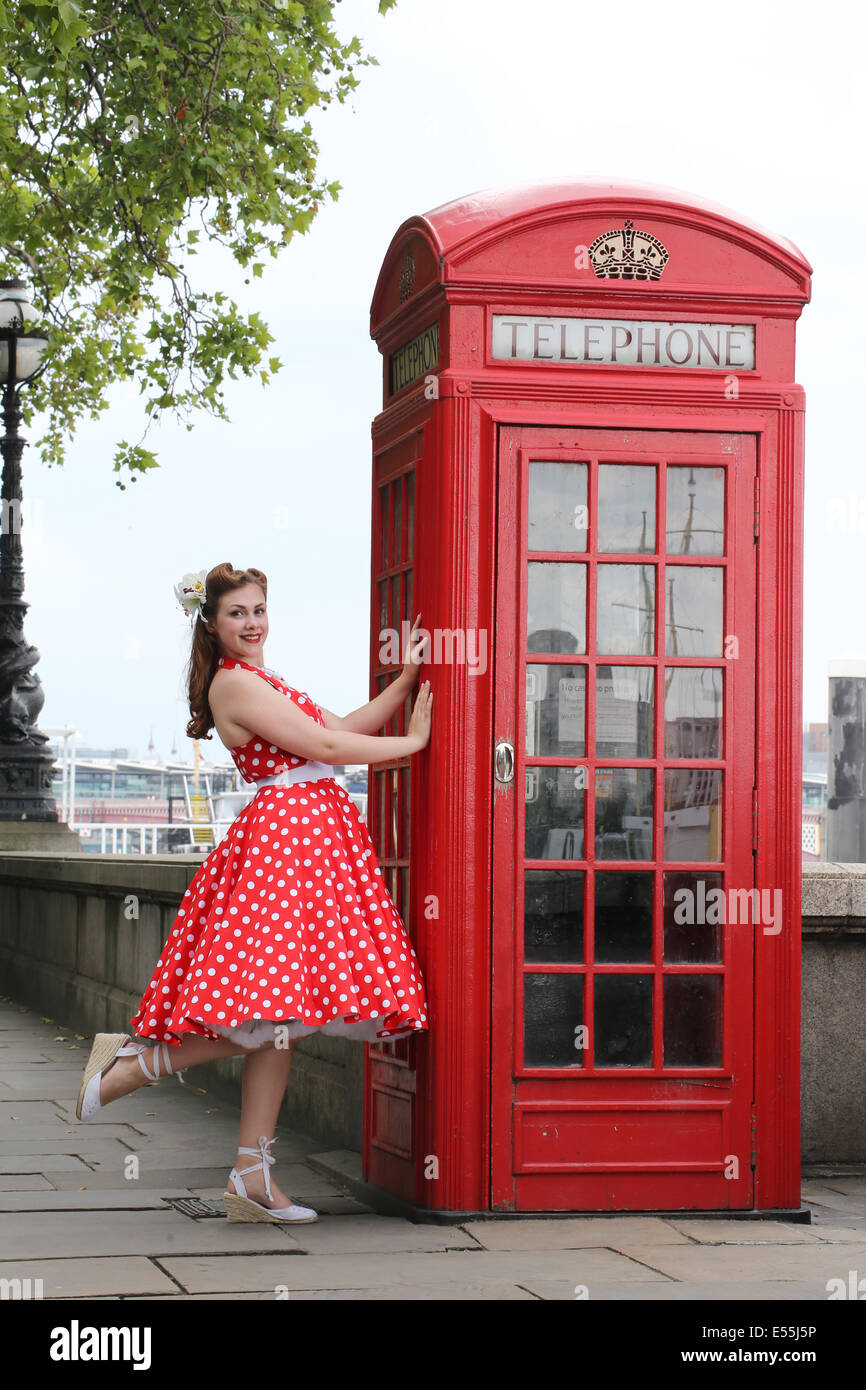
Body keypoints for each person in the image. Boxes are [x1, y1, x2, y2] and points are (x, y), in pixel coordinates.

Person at [75, 562, 432, 1224]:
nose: (253, 621)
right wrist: (412, 743)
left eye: (260, 609)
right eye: (238, 612)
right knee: (267, 1017)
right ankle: (137, 1060)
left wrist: (406, 682)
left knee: (281, 1023)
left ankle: (251, 1176)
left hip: (312, 850)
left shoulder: (265, 678)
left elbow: (341, 724)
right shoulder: (233, 685)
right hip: (282, 851)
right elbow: (329, 744)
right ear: (211, 623)